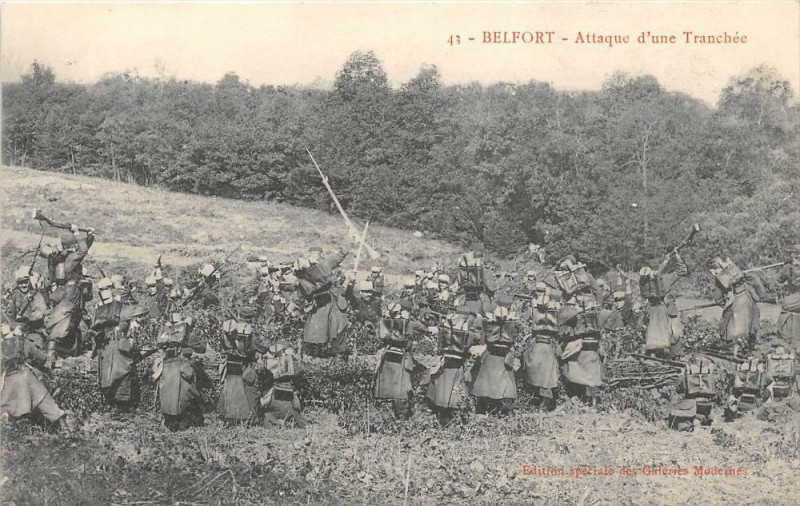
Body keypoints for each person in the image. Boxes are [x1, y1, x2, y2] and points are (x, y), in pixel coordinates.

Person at [1, 323, 73, 431]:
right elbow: (42, 359)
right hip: (28, 376)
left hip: (11, 380)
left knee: (9, 408)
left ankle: (15, 431)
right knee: (47, 403)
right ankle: (65, 430)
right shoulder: (25, 342)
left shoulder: (2, 347)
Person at [42, 225, 94, 362]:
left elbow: (83, 248)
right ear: (73, 245)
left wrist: (89, 237)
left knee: (64, 319)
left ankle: (58, 352)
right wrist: (77, 232)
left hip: (60, 291)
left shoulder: (57, 258)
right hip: (71, 293)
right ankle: (52, 355)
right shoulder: (70, 259)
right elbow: (83, 250)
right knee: (65, 322)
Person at [424, 311, 480, 425]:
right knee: (454, 395)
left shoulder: (444, 331)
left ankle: (440, 415)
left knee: (441, 393)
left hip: (444, 366)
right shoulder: (467, 335)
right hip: (457, 367)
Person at [374, 301, 428, 419]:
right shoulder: (409, 324)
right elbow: (423, 329)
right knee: (401, 388)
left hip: (387, 356)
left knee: (386, 386)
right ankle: (402, 415)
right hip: (401, 357)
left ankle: (387, 415)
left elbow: (382, 336)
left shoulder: (385, 323)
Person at [153, 312, 206, 430]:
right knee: (186, 393)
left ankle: (169, 421)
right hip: (181, 366)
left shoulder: (165, 333)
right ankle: (183, 422)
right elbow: (202, 349)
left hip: (166, 365)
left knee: (167, 394)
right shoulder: (188, 335)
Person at [295, 247, 350, 358]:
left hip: (335, 302)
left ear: (321, 255)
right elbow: (303, 291)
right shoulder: (302, 271)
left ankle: (340, 357)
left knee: (338, 328)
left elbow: (340, 255)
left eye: (317, 254)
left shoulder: (325, 264)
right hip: (319, 303)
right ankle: (314, 355)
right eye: (312, 254)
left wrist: (341, 252)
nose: (314, 256)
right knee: (316, 331)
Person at [92, 278, 137, 408]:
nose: (103, 292)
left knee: (121, 370)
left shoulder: (120, 304)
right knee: (106, 374)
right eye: (101, 290)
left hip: (118, 342)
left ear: (111, 289)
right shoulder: (99, 307)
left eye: (106, 289)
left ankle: (123, 404)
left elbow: (130, 317)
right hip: (105, 343)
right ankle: (110, 402)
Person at [218, 306, 266, 424]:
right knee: (250, 391)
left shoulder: (228, 329)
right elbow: (262, 348)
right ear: (251, 319)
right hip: (246, 366)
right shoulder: (252, 334)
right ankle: (250, 419)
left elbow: (222, 345)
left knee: (229, 389)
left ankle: (224, 416)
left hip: (230, 365)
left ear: (239, 316)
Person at [711, 257, 767, 356]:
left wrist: (724, 303)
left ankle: (735, 352)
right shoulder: (740, 272)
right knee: (750, 325)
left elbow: (718, 297)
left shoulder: (720, 277)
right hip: (748, 298)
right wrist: (762, 296)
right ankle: (748, 350)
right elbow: (755, 280)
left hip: (737, 300)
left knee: (729, 324)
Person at [470, 306, 520, 416]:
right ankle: (500, 409)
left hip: (491, 356)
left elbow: (483, 339)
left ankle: (483, 410)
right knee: (506, 386)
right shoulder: (511, 326)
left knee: (484, 384)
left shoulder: (489, 325)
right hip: (504, 357)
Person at [639, 252, 688, 357]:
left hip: (651, 310)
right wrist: (677, 257)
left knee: (653, 335)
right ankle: (672, 355)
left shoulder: (643, 281)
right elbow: (683, 270)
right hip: (664, 309)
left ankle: (654, 355)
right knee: (673, 333)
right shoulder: (666, 279)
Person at [560, 292, 604, 406]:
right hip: (591, 347)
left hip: (583, 347)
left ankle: (588, 401)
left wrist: (574, 308)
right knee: (590, 375)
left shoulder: (582, 314)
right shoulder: (596, 313)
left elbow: (562, 319)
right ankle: (588, 400)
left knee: (573, 370)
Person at [523, 286, 562, 410]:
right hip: (549, 344)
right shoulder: (557, 312)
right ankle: (543, 400)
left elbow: (526, 321)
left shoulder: (534, 310)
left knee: (536, 370)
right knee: (547, 374)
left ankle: (542, 400)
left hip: (538, 343)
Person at [262, 341, 306, 428]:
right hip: (284, 395)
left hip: (277, 395)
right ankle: (284, 422)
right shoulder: (289, 362)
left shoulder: (270, 362)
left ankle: (280, 422)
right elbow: (299, 372)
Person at [6, 267, 48, 338]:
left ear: (29, 282)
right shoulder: (16, 295)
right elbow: (11, 312)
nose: (23, 285)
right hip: (17, 327)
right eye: (20, 283)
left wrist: (26, 317)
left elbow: (40, 313)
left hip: (34, 329)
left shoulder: (36, 295)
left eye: (25, 282)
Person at [776, 246, 800, 349]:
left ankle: (784, 336)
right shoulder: (791, 266)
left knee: (785, 309)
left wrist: (785, 267)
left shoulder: (789, 267)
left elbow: (779, 279)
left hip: (796, 296)